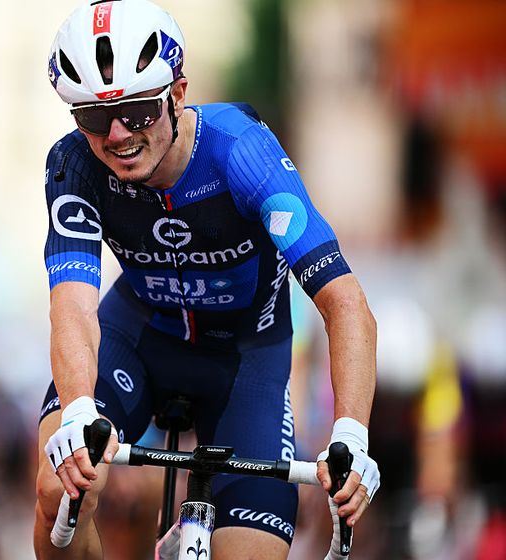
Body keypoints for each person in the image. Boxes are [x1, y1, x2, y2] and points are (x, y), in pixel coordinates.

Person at [34, 1, 381, 558]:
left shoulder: (241, 153)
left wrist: (351, 434)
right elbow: (72, 304)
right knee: (60, 488)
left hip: (245, 362)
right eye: (94, 118)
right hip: (138, 340)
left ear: (177, 93)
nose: (118, 134)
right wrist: (78, 409)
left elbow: (346, 303)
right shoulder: (73, 164)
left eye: (139, 112)